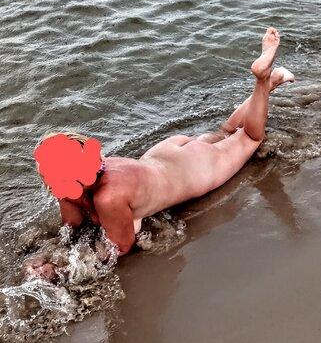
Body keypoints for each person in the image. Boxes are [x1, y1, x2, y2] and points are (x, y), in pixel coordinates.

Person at [34, 28, 294, 258]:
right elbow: (71, 228)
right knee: (226, 132)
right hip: (167, 154)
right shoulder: (74, 185)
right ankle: (270, 83)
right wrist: (49, 256)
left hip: (191, 169)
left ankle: (262, 78)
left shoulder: (108, 197)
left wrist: (64, 267)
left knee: (249, 137)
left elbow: (120, 247)